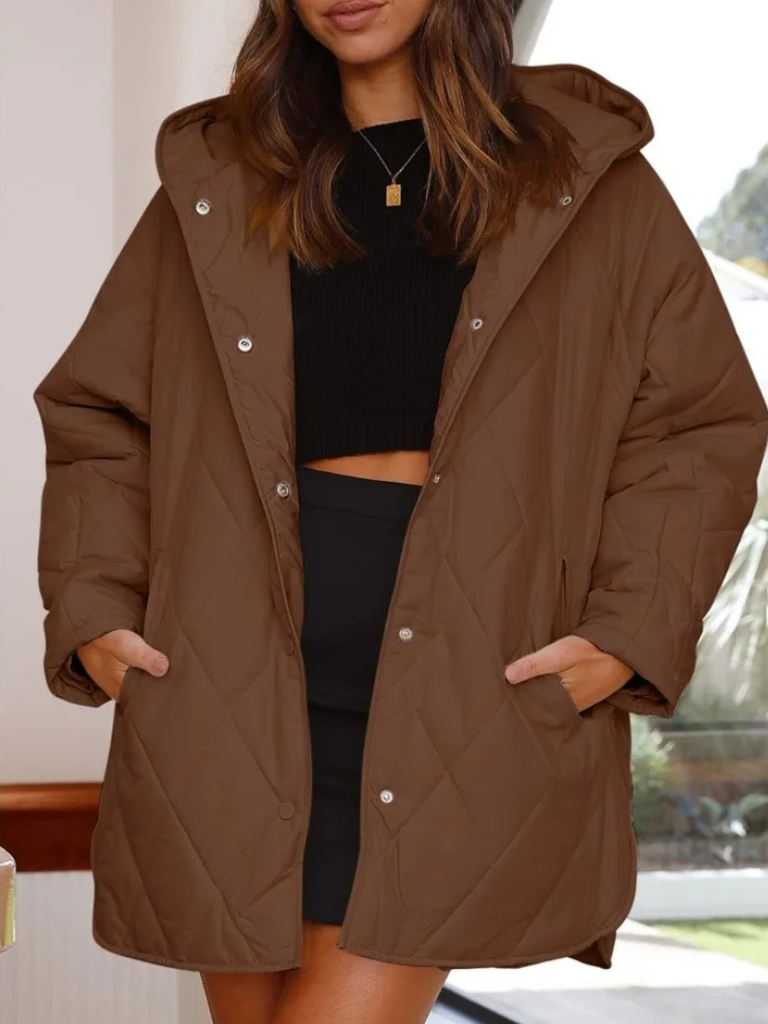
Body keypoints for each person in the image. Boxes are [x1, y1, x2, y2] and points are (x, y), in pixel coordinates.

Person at [32, 1, 768, 1023]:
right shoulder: (224, 179)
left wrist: (625, 633)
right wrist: (94, 612)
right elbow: (101, 413)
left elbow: (697, 424)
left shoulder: (582, 175)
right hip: (235, 691)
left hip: (465, 690)